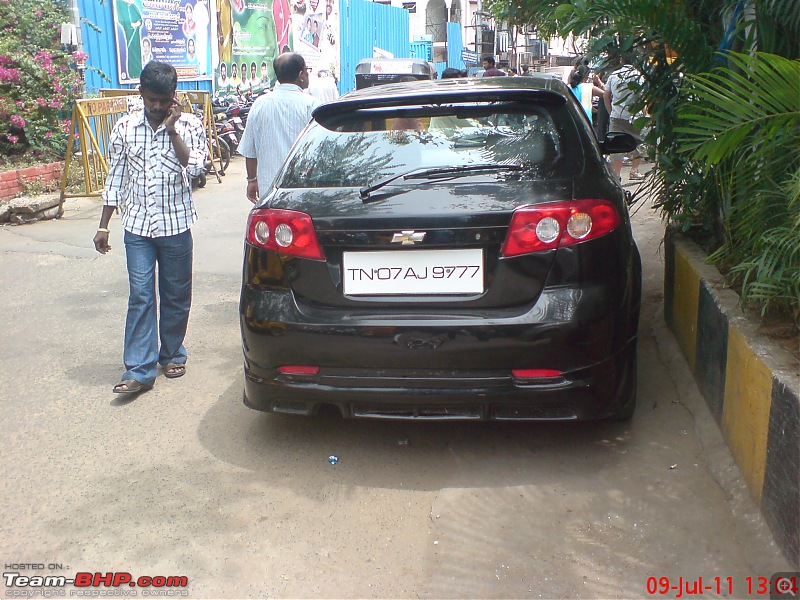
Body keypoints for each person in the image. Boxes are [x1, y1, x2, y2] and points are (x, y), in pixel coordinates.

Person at [93, 61, 207, 395]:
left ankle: (172, 352)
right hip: (138, 228)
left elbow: (195, 166)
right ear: (140, 92)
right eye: (151, 99)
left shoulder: (190, 125)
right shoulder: (124, 128)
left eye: (163, 100)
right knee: (141, 295)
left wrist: (172, 129)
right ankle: (139, 370)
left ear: (174, 96)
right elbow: (115, 177)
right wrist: (103, 226)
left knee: (176, 295)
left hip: (176, 225)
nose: (156, 107)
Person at [239, 52, 321, 202]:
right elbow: (320, 150)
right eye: (306, 71)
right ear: (301, 74)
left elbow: (250, 150)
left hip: (269, 192)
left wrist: (251, 180)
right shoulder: (311, 105)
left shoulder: (260, 104)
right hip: (303, 189)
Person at [604, 54, 646, 180]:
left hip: (616, 116)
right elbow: (641, 97)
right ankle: (634, 171)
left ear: (622, 60)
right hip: (634, 116)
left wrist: (611, 111)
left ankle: (617, 175)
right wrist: (644, 114)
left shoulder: (614, 75)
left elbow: (606, 95)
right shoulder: (638, 76)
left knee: (616, 145)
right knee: (640, 142)